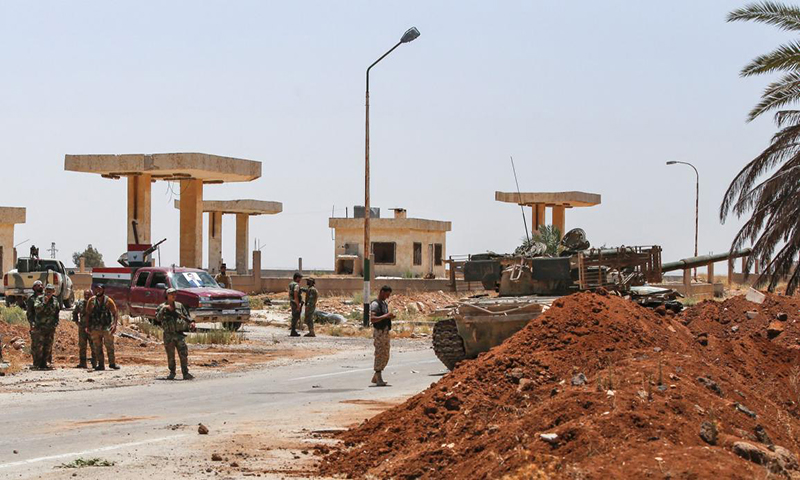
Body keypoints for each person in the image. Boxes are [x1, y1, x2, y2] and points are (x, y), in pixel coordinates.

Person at [156, 288, 196, 380]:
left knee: (183, 354)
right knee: (170, 355)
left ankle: (185, 373)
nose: (173, 296)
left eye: (175, 294)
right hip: (168, 335)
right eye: (171, 294)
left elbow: (186, 316)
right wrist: (164, 308)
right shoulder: (162, 306)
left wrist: (192, 322)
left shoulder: (179, 306)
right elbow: (158, 318)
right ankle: (172, 372)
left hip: (179, 334)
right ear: (167, 295)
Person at [85, 284, 120, 371]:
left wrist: (114, 325)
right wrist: (87, 326)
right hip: (95, 327)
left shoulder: (108, 301)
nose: (98, 291)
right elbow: (88, 314)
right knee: (97, 347)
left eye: (100, 289)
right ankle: (101, 364)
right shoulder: (91, 301)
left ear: (103, 290)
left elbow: (115, 313)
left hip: (106, 327)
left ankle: (112, 363)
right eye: (96, 289)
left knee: (109, 346)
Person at [370, 285, 395, 387]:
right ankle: (378, 375)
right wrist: (386, 316)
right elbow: (372, 318)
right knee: (379, 353)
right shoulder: (375, 304)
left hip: (385, 332)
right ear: (381, 292)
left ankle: (377, 375)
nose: (387, 297)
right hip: (379, 332)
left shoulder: (384, 304)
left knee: (386, 354)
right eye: (386, 294)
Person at [33, 284, 61, 370]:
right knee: (39, 346)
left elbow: (57, 312)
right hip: (40, 327)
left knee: (48, 346)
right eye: (47, 290)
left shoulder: (55, 301)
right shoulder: (40, 299)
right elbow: (36, 308)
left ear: (53, 292)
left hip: (50, 327)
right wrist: (44, 302)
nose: (48, 292)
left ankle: (44, 363)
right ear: (45, 291)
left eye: (50, 291)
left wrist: (56, 322)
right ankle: (37, 364)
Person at [72, 290, 96, 369]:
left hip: (92, 328)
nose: (86, 296)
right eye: (85, 294)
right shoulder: (80, 303)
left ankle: (95, 363)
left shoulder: (95, 304)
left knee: (94, 346)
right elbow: (75, 312)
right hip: (82, 327)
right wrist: (76, 321)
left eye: (88, 294)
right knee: (82, 346)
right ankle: (82, 363)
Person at [26, 280, 44, 369]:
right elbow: (29, 313)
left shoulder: (46, 297)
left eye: (41, 285)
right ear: (34, 288)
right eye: (37, 285)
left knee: (47, 343)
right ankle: (36, 363)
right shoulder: (31, 299)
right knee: (36, 344)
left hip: (46, 325)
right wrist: (32, 324)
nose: (40, 286)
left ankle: (45, 363)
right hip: (36, 325)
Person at [288, 272, 304, 337]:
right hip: (295, 302)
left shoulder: (291, 284)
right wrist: (298, 305)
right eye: (300, 278)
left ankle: (293, 330)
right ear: (297, 278)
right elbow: (296, 295)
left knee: (294, 316)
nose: (300, 280)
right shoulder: (296, 285)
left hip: (292, 302)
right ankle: (293, 331)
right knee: (296, 316)